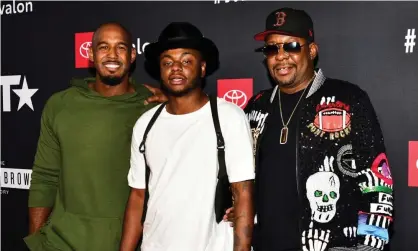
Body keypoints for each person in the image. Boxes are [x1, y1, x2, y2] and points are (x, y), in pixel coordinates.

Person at [226, 7, 394, 251]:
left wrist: (370, 244)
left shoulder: (349, 99)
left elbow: (378, 179)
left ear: (312, 51)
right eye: (272, 48)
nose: (281, 56)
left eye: (291, 46)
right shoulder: (256, 106)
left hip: (333, 245)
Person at [24, 22, 163, 251]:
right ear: (90, 53)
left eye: (120, 47)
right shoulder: (61, 105)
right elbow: (44, 177)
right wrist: (37, 242)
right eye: (103, 47)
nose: (112, 55)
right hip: (61, 242)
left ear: (131, 55)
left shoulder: (151, 108)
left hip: (126, 243)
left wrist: (171, 98)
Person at [119, 22, 255, 251]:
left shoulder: (228, 117)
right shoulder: (145, 124)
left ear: (202, 68)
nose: (176, 68)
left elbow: (243, 193)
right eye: (168, 62)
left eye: (186, 61)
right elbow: (138, 197)